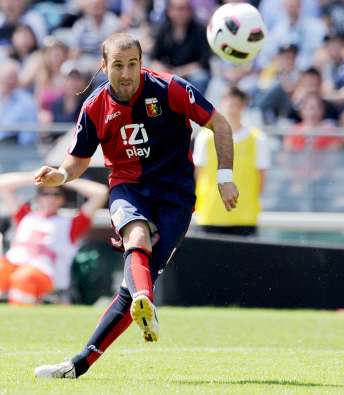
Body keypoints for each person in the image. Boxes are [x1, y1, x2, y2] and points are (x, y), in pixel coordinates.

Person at [34, 32, 238, 379]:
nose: (126, 73)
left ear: (142, 64)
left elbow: (218, 123)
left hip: (175, 196)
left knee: (130, 291)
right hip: (128, 188)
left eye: (132, 64)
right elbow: (77, 160)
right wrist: (60, 176)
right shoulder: (94, 106)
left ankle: (79, 364)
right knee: (135, 235)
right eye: (117, 65)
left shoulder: (169, 88)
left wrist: (225, 176)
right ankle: (147, 299)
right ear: (104, 65)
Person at [0, 171, 108, 305]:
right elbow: (2, 183)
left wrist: (62, 179)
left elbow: (101, 192)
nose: (50, 198)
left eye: (56, 194)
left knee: (23, 277)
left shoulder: (71, 223)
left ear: (62, 199)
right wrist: (38, 177)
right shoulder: (25, 215)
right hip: (13, 265)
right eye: (45, 194)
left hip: (44, 273)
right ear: (38, 197)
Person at [194, 86, 270, 237]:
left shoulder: (258, 139)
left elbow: (262, 177)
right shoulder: (205, 137)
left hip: (244, 217)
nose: (232, 110)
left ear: (243, 107)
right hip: (210, 215)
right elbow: (198, 174)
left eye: (236, 105)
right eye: (228, 105)